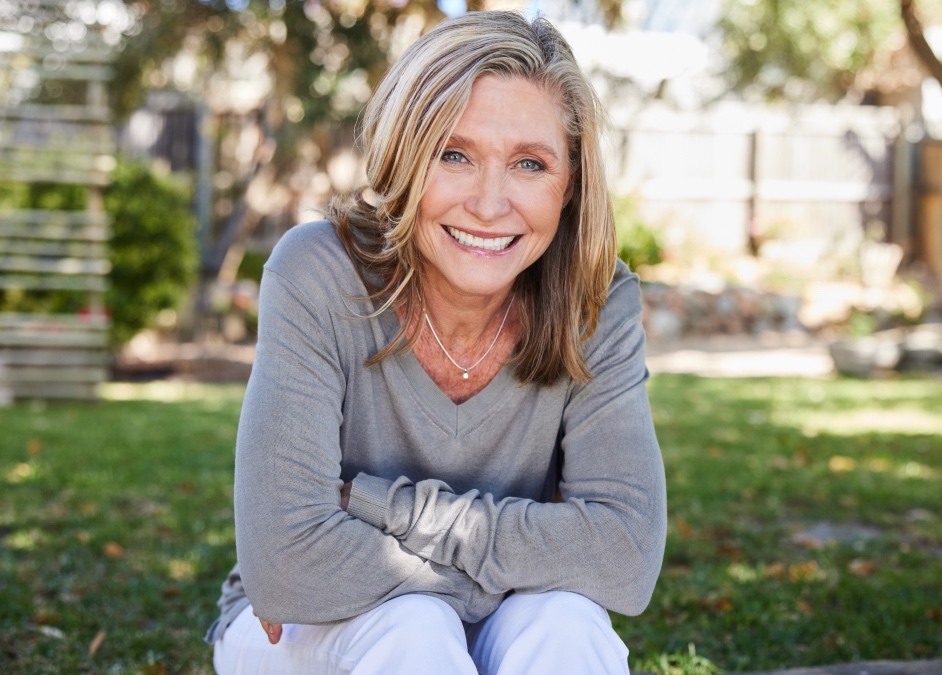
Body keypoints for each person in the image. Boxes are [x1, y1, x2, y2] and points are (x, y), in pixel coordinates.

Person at [204, 10, 667, 675]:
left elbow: (624, 553)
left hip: (509, 617)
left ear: (570, 187)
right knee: (418, 629)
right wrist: (519, 568)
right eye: (455, 154)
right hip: (302, 629)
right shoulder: (317, 272)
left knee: (564, 624)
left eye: (530, 164)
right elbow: (287, 568)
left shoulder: (598, 303)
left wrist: (369, 501)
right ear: (405, 157)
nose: (488, 202)